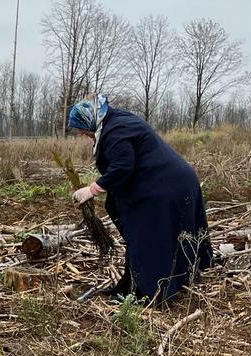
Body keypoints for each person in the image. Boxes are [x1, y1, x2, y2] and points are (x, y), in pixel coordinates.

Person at [68, 95, 213, 304]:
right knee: (151, 239)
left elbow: (123, 166)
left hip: (165, 187)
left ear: (89, 119)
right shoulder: (115, 121)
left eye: (81, 127)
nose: (81, 133)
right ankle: (139, 286)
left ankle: (153, 294)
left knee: (150, 239)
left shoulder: (115, 130)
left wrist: (92, 190)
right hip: (170, 183)